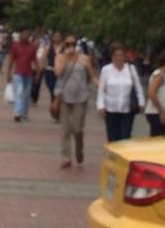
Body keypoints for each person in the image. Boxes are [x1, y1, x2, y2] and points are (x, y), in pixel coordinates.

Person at [54, 37, 97, 168]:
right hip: (64, 97)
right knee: (65, 129)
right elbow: (58, 73)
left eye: (73, 44)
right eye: (67, 44)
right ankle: (66, 156)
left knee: (77, 129)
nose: (70, 46)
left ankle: (79, 150)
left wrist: (101, 85)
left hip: (80, 97)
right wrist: (66, 58)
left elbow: (92, 75)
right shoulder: (60, 57)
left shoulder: (84, 58)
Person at [97, 44, 145, 143]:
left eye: (121, 55)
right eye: (116, 55)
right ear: (112, 56)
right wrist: (100, 105)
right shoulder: (106, 70)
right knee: (113, 138)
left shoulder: (131, 69)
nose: (119, 58)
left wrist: (141, 102)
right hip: (111, 110)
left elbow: (138, 87)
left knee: (125, 137)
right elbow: (101, 89)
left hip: (127, 109)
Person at [5, 30, 38, 121]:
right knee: (19, 93)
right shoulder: (15, 46)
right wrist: (8, 73)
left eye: (27, 35)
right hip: (18, 73)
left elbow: (35, 60)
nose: (24, 37)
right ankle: (18, 113)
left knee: (26, 94)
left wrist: (37, 73)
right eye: (23, 35)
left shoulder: (32, 47)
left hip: (28, 74)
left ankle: (24, 113)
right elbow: (11, 60)